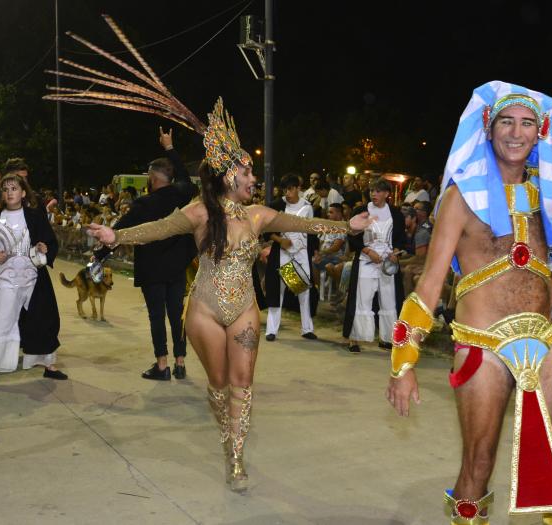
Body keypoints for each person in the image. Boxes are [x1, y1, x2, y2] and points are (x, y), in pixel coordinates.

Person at [385, 36, 552, 523]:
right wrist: (402, 366)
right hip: (481, 344)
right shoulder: (462, 197)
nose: (516, 132)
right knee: (478, 466)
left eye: (526, 123)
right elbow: (429, 286)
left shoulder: (551, 189)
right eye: (506, 122)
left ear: (541, 132)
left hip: (542, 342)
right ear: (489, 129)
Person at [77, 95, 370, 492]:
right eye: (248, 173)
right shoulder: (199, 212)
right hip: (204, 312)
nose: (254, 180)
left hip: (244, 309)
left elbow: (308, 226)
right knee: (218, 384)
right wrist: (117, 235)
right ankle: (226, 435)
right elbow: (159, 229)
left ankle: (235, 456)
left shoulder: (259, 215)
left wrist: (347, 227)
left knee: (242, 383)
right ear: (228, 174)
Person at [111, 128, 198, 381]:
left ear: (152, 178)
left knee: (157, 317)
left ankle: (162, 365)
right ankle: (180, 362)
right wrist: (170, 148)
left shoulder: (143, 205)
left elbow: (118, 232)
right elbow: (185, 178)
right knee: (176, 314)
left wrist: (102, 246)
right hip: (176, 267)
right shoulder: (182, 195)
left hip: (152, 269)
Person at [0, 174, 67, 389]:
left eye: (14, 188)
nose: (9, 192)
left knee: (42, 321)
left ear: (23, 193)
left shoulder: (35, 217)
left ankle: (49, 365)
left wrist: (45, 248)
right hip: (4, 279)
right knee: (1, 320)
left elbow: (50, 242)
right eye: (6, 189)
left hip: (34, 278)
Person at [342, 179, 407, 353]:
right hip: (366, 261)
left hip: (387, 263)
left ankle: (387, 338)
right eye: (372, 191)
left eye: (378, 191)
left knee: (388, 300)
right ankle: (355, 338)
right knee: (362, 298)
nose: (374, 194)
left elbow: (401, 238)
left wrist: (396, 253)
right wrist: (368, 252)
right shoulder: (360, 211)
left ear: (387, 194)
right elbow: (352, 237)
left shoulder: (396, 213)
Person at [264, 175, 319, 341]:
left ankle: (306, 328)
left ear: (297, 188)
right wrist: (281, 241)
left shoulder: (307, 207)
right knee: (277, 292)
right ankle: (271, 330)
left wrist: (315, 251)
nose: (287, 193)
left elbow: (312, 232)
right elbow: (266, 231)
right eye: (285, 189)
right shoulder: (276, 205)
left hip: (301, 255)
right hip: (283, 256)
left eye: (290, 189)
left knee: (303, 292)